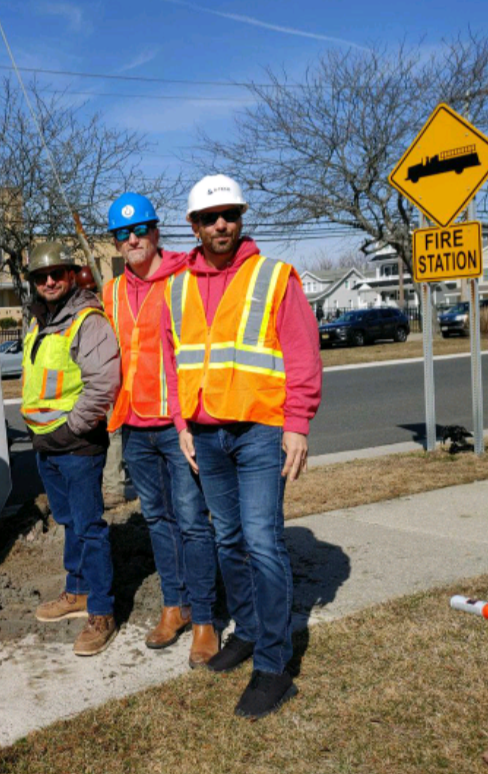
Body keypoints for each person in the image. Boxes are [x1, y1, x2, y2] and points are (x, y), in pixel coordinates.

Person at [170, 174, 321, 718]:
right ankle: (251, 631)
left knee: (261, 540)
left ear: (241, 217)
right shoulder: (177, 285)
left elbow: (301, 351)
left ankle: (275, 665)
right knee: (227, 537)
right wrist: (181, 422)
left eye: (230, 215)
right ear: (193, 225)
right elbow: (174, 357)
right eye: (210, 218)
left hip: (260, 429)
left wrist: (297, 422)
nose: (221, 225)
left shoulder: (274, 276)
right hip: (205, 433)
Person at [103, 192, 220, 668]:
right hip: (133, 425)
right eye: (121, 234)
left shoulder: (184, 277)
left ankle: (207, 618)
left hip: (179, 425)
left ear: (155, 232)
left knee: (192, 521)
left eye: (139, 230)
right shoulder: (110, 292)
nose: (131, 239)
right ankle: (175, 605)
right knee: (158, 521)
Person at [22, 242, 121, 656]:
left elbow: (104, 382)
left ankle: (102, 611)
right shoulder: (38, 321)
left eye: (56, 274)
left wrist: (74, 428)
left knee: (90, 527)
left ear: (70, 276)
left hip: (77, 446)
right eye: (41, 277)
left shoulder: (86, 320)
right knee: (69, 523)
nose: (49, 281)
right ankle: (77, 591)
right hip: (49, 446)